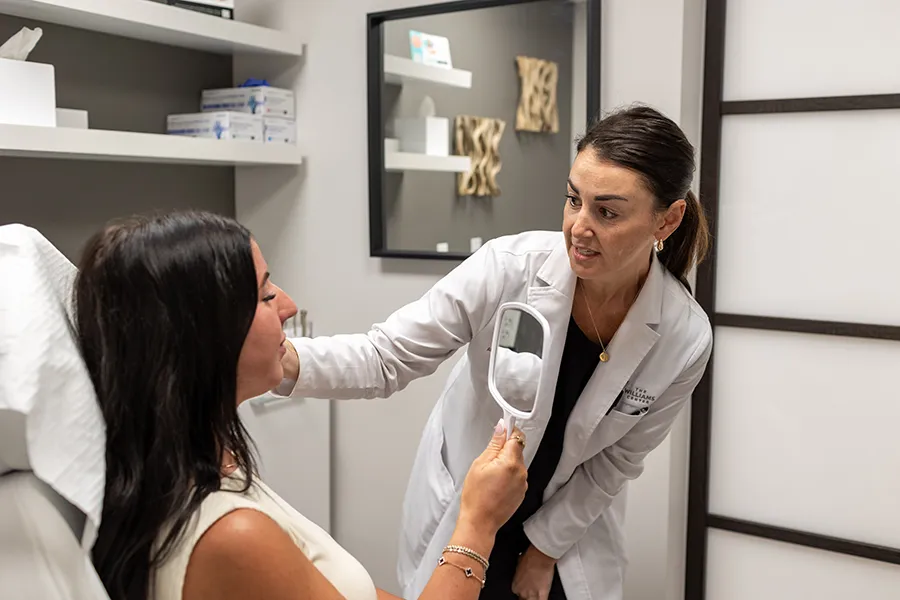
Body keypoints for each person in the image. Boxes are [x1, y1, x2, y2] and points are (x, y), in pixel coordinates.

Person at [276, 105, 714, 600]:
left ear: (668, 220)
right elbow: (387, 356)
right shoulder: (508, 269)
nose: (578, 227)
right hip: (469, 510)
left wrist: (542, 552)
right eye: (574, 200)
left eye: (607, 212)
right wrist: (283, 360)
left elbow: (615, 462)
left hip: (563, 530)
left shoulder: (684, 337)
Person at [73, 211, 528, 600]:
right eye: (267, 294)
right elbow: (385, 355)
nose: (289, 306)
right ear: (204, 337)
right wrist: (478, 521)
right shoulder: (232, 536)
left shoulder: (206, 467)